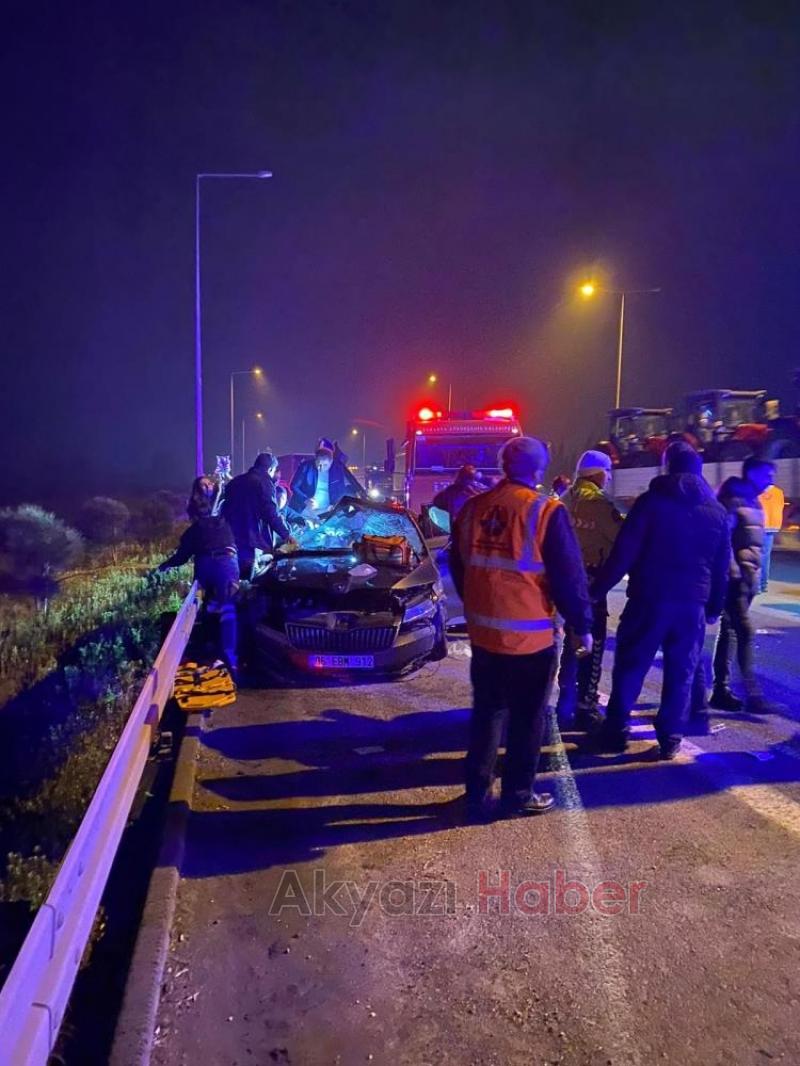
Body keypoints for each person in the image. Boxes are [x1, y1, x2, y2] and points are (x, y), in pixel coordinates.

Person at [450, 436, 593, 820]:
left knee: (487, 714)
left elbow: (461, 566)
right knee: (528, 719)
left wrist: (479, 606)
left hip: (484, 635)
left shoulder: (474, 508)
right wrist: (582, 624)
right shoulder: (545, 511)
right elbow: (568, 576)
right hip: (531, 640)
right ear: (539, 470)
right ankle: (517, 793)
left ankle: (476, 793)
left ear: (503, 465)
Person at [590, 441, 730, 759]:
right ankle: (670, 738)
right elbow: (722, 567)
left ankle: (615, 731)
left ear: (668, 467)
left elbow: (624, 552)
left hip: (649, 599)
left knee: (631, 665)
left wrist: (596, 591)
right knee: (681, 671)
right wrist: (714, 607)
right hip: (692, 605)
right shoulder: (717, 512)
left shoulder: (651, 503)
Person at [556, 450, 623, 731]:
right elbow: (621, 539)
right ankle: (586, 706)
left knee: (570, 645)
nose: (607, 478)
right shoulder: (599, 502)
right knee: (591, 644)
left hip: (564, 580)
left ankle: (565, 701)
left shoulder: (564, 499)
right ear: (597, 473)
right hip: (591, 581)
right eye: (606, 472)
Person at [711, 456, 776, 713]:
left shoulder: (754, 500)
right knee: (744, 631)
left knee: (729, 631)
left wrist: (754, 576)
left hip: (747, 578)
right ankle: (752, 693)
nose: (770, 481)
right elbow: (723, 537)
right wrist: (733, 571)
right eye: (766, 476)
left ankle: (721, 689)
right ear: (751, 473)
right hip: (735, 579)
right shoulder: (734, 499)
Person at [158, 477, 240, 677]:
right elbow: (184, 553)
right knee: (217, 608)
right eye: (203, 485)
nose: (207, 487)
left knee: (219, 607)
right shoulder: (206, 515)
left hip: (218, 561)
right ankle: (219, 655)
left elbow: (182, 556)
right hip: (215, 561)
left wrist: (165, 566)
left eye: (209, 484)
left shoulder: (221, 506)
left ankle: (221, 656)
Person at [222, 451, 292, 579]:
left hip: (229, 538)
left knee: (232, 579)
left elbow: (224, 509)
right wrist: (287, 535)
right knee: (251, 581)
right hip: (250, 540)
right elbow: (270, 513)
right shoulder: (265, 482)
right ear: (270, 469)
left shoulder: (235, 482)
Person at [289, 439, 365, 519]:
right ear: (315, 459)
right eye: (318, 464)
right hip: (306, 511)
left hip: (327, 512)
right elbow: (294, 486)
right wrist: (305, 500)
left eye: (325, 465)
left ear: (331, 462)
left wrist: (335, 504)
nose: (320, 468)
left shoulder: (337, 469)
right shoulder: (306, 467)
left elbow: (345, 486)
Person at [759, 480, 784, 593]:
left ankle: (758, 585)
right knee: (765, 556)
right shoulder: (779, 492)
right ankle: (764, 584)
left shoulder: (759, 492)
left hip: (760, 526)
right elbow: (780, 507)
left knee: (758, 556)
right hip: (773, 526)